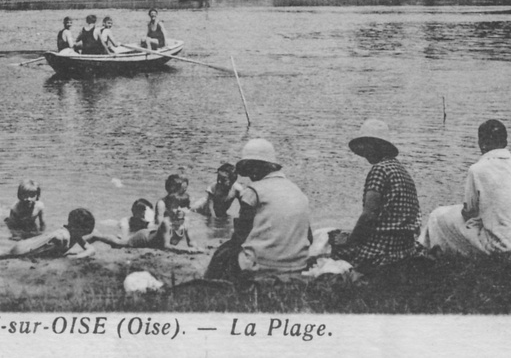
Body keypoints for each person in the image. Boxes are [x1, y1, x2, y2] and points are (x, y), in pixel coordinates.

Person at [419, 119, 511, 256]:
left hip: (506, 245)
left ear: (482, 144)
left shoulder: (477, 170)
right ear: (505, 142)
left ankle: (427, 249)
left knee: (437, 216)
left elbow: (468, 212)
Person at [205, 138, 312, 282]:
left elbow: (240, 235)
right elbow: (308, 237)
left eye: (250, 169)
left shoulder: (253, 192)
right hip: (299, 265)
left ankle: (212, 286)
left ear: (255, 168)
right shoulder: (297, 191)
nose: (249, 175)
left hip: (264, 266)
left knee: (224, 252)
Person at [332, 118, 427, 273]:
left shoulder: (379, 170)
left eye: (366, 145)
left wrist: (349, 240)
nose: (363, 151)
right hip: (404, 248)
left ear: (378, 146)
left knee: (329, 240)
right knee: (345, 233)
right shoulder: (401, 170)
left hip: (383, 251)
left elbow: (369, 216)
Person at [0, 208, 96, 260]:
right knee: (5, 255)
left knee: (5, 252)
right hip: (24, 248)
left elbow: (90, 249)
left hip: (29, 244)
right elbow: (43, 252)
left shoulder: (74, 234)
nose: (84, 236)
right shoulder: (62, 237)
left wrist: (78, 256)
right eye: (84, 232)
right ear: (76, 228)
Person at [156, 174, 195, 248]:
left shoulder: (183, 201)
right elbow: (159, 224)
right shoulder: (162, 203)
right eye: (183, 189)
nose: (185, 191)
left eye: (186, 188)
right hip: (165, 232)